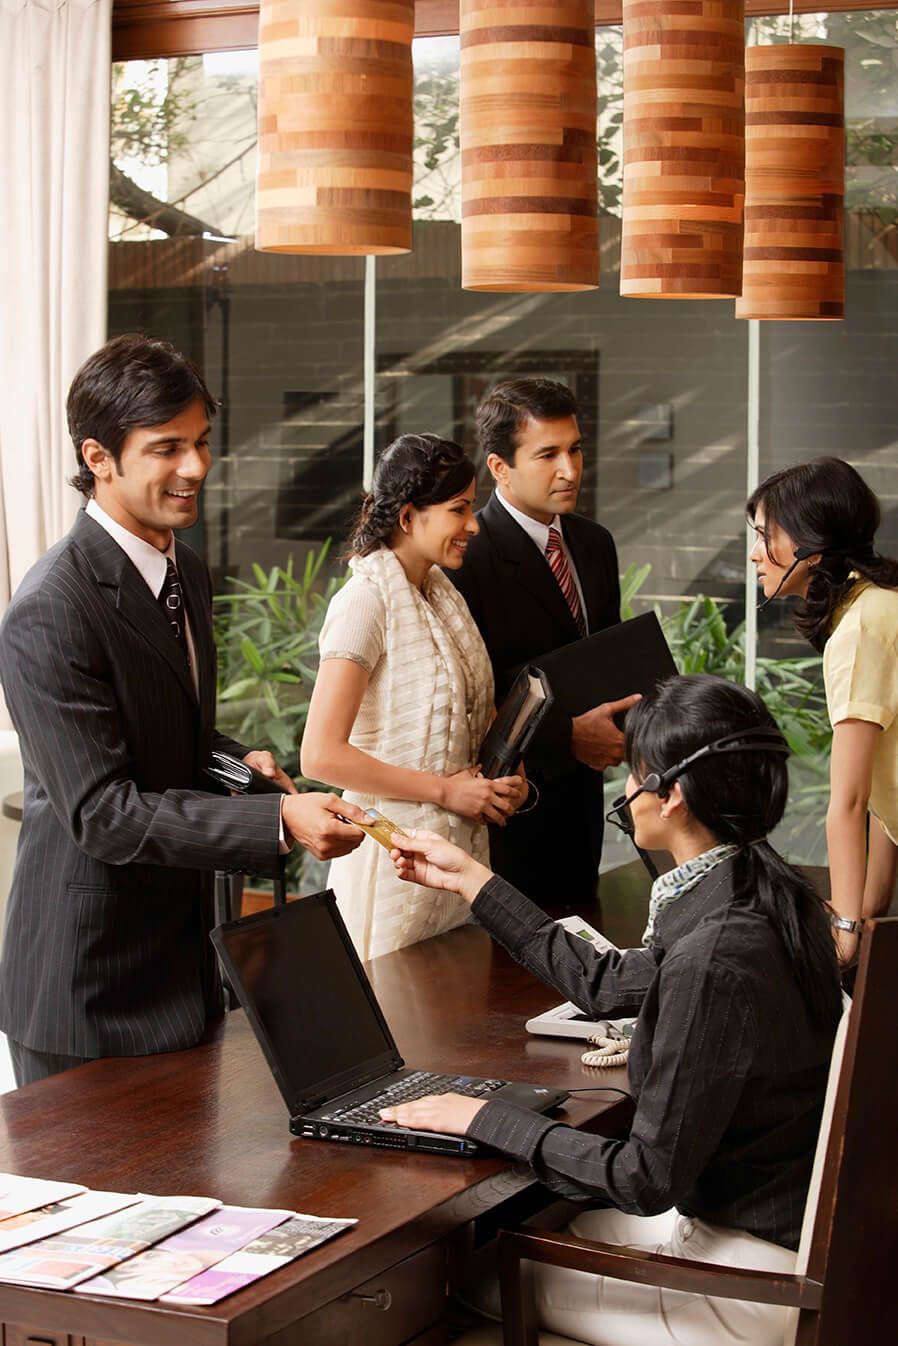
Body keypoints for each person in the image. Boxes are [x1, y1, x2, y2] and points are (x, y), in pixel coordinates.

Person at [381, 674, 842, 1346]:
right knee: (547, 1228)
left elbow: (644, 1178)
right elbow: (604, 983)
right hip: (784, 1228)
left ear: (673, 794)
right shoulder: (768, 891)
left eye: (634, 775)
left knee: (467, 1287)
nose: (625, 792)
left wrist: (488, 1118)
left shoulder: (712, 956)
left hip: (752, 1283)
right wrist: (470, 879)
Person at [0, 333, 366, 1087]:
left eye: (201, 443)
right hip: (88, 987)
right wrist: (273, 824)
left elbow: (188, 740)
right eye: (167, 448)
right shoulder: (49, 609)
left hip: (184, 966)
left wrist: (252, 775)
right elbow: (102, 811)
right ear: (98, 458)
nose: (195, 468)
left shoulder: (184, 569)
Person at [300, 433, 524, 959]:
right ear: (406, 517)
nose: (473, 524)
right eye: (459, 509)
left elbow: (472, 717)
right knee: (407, 1027)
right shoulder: (364, 602)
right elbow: (320, 754)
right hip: (391, 862)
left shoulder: (443, 593)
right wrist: (446, 792)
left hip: (459, 859)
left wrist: (500, 779)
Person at [448, 378, 637, 912]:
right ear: (499, 468)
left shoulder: (595, 544)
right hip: (513, 806)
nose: (570, 470)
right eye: (548, 454)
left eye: (575, 449)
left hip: (585, 801)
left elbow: (604, 656)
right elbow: (470, 693)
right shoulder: (468, 558)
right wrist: (568, 734)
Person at [748, 456, 898, 961]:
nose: (754, 553)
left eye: (764, 535)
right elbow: (883, 790)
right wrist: (871, 905)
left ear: (808, 545)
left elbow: (850, 800)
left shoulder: (859, 630)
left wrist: (847, 929)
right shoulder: (878, 603)